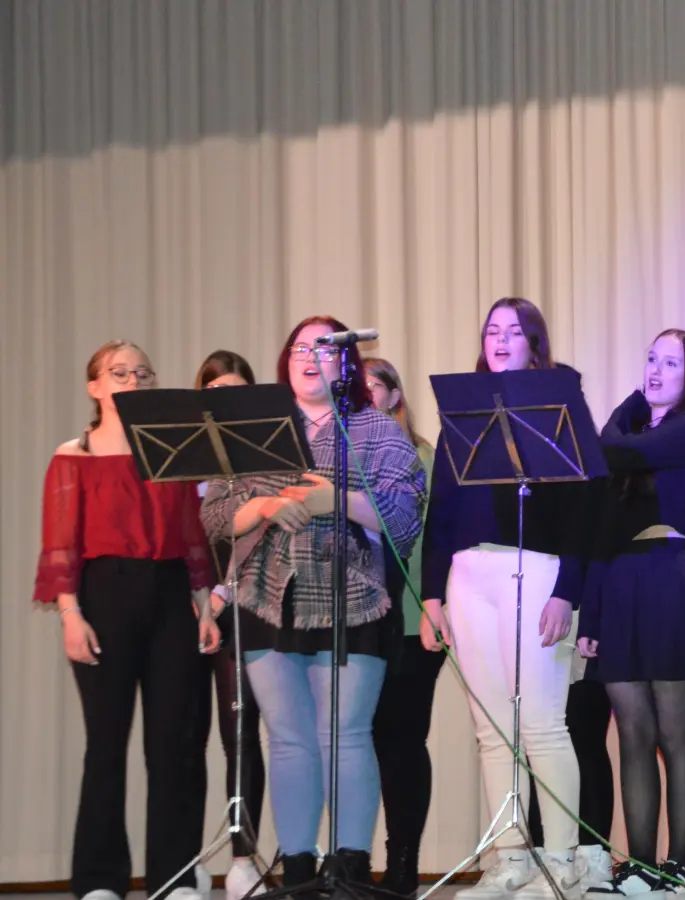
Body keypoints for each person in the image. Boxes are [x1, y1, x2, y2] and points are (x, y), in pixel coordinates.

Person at [200, 317, 425, 891]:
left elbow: (403, 518)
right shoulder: (255, 429)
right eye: (300, 346)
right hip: (267, 596)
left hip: (356, 597)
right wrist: (267, 507)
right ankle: (297, 868)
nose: (310, 356)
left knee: (346, 734)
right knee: (289, 737)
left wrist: (337, 500)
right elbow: (218, 515)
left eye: (323, 347)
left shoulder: (376, 429)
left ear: (344, 362)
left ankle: (348, 868)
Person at [36, 341, 220, 900]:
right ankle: (99, 880)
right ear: (95, 387)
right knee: (106, 744)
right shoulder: (77, 453)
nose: (134, 381)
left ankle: (175, 877)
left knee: (174, 745)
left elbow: (192, 533)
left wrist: (205, 602)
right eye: (120, 374)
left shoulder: (171, 451)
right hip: (104, 596)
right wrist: (71, 614)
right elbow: (61, 543)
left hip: (170, 596)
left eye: (143, 373)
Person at [423, 298, 593, 899]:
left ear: (534, 344)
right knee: (492, 730)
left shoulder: (560, 407)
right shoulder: (462, 416)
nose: (499, 339)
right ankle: (510, 858)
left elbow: (581, 508)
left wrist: (568, 591)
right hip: (469, 576)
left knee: (542, 724)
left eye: (513, 331)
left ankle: (562, 858)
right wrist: (431, 598)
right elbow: (439, 512)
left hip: (538, 571)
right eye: (491, 329)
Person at [576, 329, 685, 896]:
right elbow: (601, 528)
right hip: (619, 583)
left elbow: (611, 447)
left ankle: (683, 863)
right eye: (650, 360)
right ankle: (639, 865)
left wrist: (627, 405)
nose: (656, 370)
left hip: (667, 578)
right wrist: (590, 618)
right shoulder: (634, 432)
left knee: (676, 733)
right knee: (632, 733)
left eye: (670, 362)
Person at [364, 357, 448, 897]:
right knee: (368, 740)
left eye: (373, 390)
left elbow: (437, 541)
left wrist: (430, 611)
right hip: (361, 619)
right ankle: (361, 860)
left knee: (402, 739)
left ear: (395, 397)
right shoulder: (341, 460)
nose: (364, 401)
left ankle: (403, 865)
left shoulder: (420, 456)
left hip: (412, 618)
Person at [192, 349, 268, 900]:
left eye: (238, 393)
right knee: (175, 740)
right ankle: (184, 856)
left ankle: (243, 858)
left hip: (233, 607)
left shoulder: (262, 457)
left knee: (237, 737)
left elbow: (253, 538)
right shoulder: (180, 459)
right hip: (179, 608)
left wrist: (217, 599)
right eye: (217, 394)